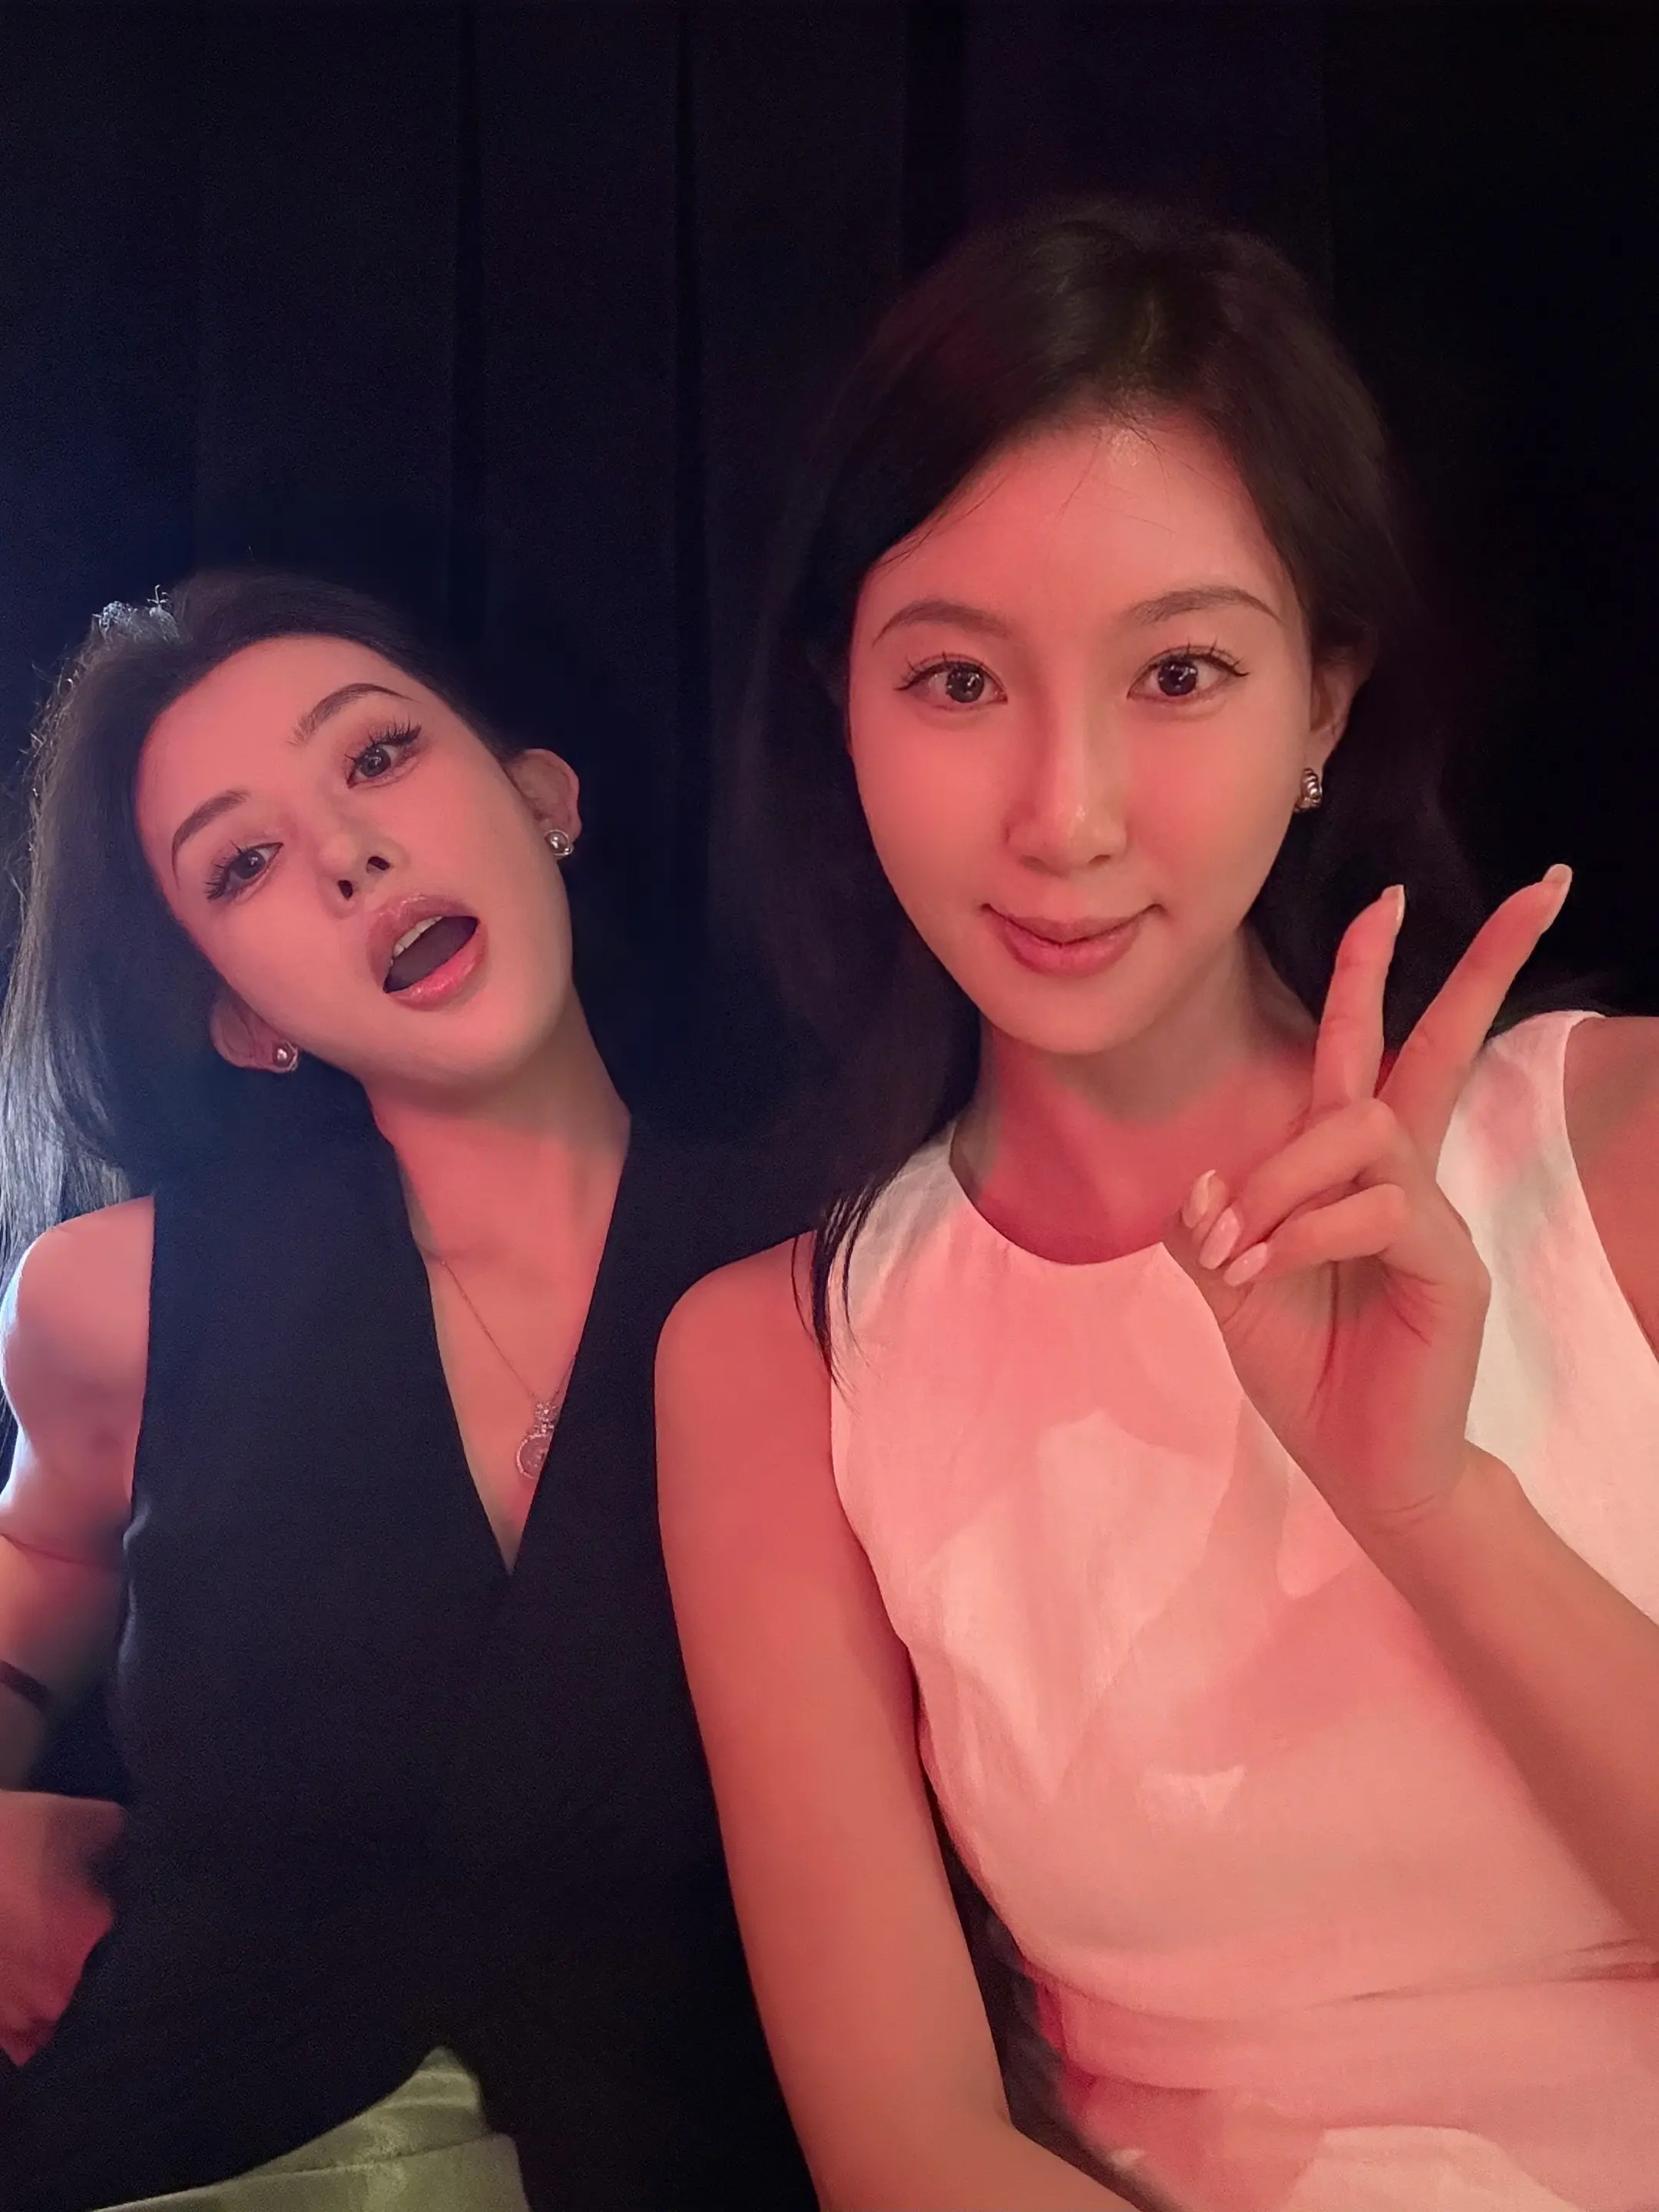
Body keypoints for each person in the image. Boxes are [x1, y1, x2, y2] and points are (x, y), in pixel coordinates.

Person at [654, 200, 1659, 2212]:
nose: (1069, 814)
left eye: (1182, 671)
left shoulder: (1617, 1140)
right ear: (841, 703)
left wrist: (1433, 1509)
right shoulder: (781, 1359)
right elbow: (908, 2142)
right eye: (957, 681)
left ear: (1327, 706)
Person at [0, 571, 816, 2210]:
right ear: (243, 1014)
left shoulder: (855, 1251)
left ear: (543, 795)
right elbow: (42, 1559)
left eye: (376, 757)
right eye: (241, 863)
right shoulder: (119, 1298)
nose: (349, 856)